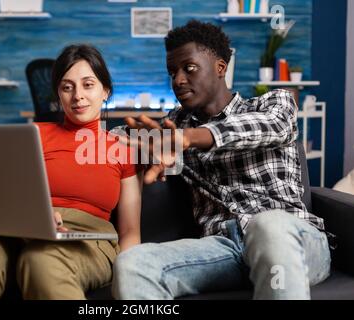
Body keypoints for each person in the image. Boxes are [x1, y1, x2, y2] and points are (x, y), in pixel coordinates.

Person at [112, 20, 331, 300]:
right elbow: (122, 138)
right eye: (172, 72)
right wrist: (137, 143)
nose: (178, 80)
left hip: (291, 241)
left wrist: (189, 138)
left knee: (268, 224)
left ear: (220, 67)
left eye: (189, 68)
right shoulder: (174, 125)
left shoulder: (272, 103)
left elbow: (270, 126)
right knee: (132, 264)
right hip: (223, 248)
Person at [0, 44, 143, 300]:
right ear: (58, 95)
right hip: (15, 231)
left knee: (42, 260)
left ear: (106, 91)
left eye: (88, 85)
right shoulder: (31, 135)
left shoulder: (122, 147)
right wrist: (34, 214)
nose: (77, 95)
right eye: (67, 87)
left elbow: (130, 231)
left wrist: (129, 280)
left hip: (86, 241)